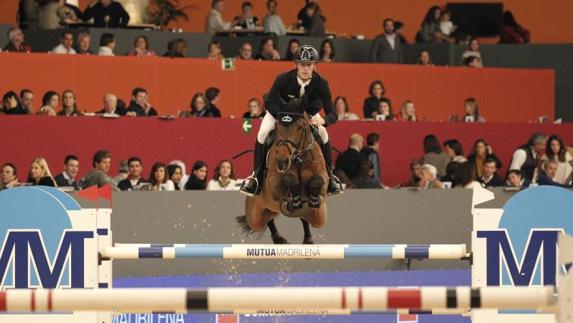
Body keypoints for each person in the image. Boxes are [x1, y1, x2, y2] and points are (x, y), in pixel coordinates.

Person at [240, 45, 342, 196]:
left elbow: (333, 113)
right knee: (262, 134)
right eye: (302, 64)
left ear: (315, 66)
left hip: (306, 117)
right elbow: (269, 101)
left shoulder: (322, 84)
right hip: (279, 114)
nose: (305, 68)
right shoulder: (283, 79)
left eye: (309, 65)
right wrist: (281, 116)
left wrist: (324, 120)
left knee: (324, 134)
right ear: (296, 64)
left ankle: (330, 175)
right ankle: (255, 177)